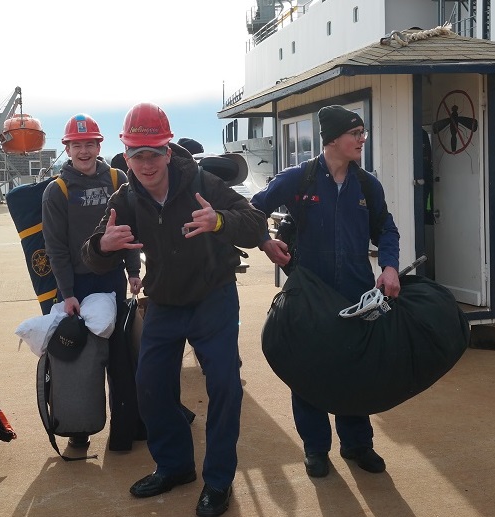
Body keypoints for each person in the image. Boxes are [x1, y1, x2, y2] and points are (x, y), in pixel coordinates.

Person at [82, 102, 267, 517]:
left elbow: (255, 224)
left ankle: (218, 480)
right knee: (149, 385)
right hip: (164, 301)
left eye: (154, 153)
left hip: (212, 297)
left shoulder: (202, 181)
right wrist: (101, 247)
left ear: (168, 151)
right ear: (126, 155)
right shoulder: (125, 198)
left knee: (224, 386)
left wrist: (219, 221)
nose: (146, 164)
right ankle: (175, 465)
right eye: (137, 154)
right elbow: (93, 254)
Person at [250, 105, 401, 478]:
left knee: (354, 368)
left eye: (363, 132)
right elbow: (252, 211)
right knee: (308, 369)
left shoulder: (368, 185)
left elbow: (386, 229)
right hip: (308, 292)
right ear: (332, 138)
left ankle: (357, 444)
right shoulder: (298, 179)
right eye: (356, 133)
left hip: (355, 292)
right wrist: (265, 242)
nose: (362, 138)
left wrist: (390, 266)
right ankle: (315, 448)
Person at [42, 113, 142, 450]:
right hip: (78, 287)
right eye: (77, 145)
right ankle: (78, 429)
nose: (84, 151)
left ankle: (124, 432)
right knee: (80, 364)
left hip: (113, 281)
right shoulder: (57, 190)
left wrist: (132, 271)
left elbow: (129, 231)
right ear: (67, 148)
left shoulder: (117, 178)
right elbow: (55, 247)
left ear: (100, 145)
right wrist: (67, 293)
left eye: (90, 144)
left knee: (119, 359)